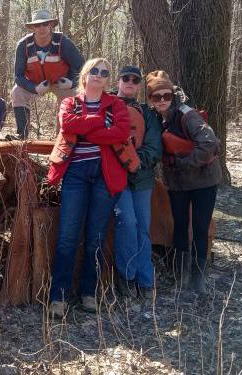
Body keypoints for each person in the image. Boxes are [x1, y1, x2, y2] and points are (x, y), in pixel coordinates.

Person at [46, 58, 130, 318]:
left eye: (104, 73)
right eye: (94, 70)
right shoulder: (69, 103)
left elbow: (121, 132)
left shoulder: (116, 104)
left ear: (107, 80)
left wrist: (88, 130)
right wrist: (99, 123)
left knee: (96, 237)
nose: (99, 75)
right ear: (84, 75)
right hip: (75, 175)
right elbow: (68, 126)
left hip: (105, 175)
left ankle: (88, 293)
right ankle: (58, 297)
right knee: (68, 236)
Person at [146, 70, 221, 294]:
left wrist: (185, 162)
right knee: (178, 226)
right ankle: (180, 274)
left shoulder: (187, 115)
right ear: (149, 98)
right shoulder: (154, 119)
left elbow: (210, 143)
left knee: (199, 227)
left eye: (166, 95)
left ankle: (198, 278)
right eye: (156, 96)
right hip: (177, 183)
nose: (161, 101)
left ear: (173, 95)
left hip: (203, 181)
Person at [111, 66, 162, 298]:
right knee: (127, 223)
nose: (130, 82)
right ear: (118, 81)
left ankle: (146, 279)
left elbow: (154, 147)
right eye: (126, 78)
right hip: (115, 177)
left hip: (141, 179)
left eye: (135, 80)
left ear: (139, 84)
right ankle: (127, 277)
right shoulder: (107, 105)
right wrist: (120, 161)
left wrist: (135, 160)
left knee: (143, 227)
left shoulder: (148, 112)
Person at [12, 9, 84, 139]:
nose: (42, 28)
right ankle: (21, 136)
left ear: (51, 25)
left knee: (75, 95)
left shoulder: (63, 42)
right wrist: (33, 88)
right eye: (37, 25)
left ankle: (64, 138)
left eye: (45, 24)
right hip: (35, 84)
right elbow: (18, 75)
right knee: (17, 92)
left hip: (61, 84)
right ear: (32, 28)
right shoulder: (23, 45)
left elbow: (80, 66)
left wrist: (71, 82)